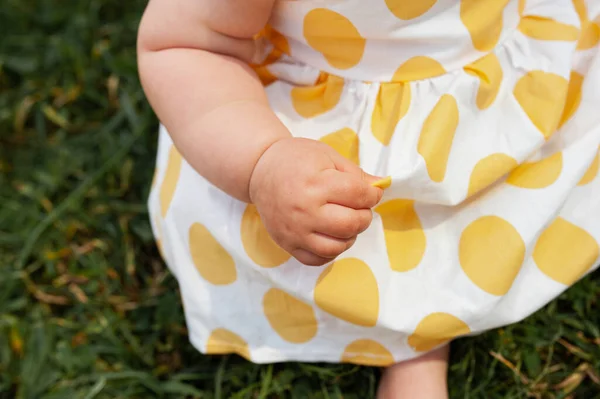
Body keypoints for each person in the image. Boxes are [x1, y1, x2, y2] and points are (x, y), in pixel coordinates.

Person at [137, 0, 600, 397]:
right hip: (322, 144)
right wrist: (264, 161)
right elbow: (188, 45)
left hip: (504, 91)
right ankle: (411, 341)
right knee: (366, 238)